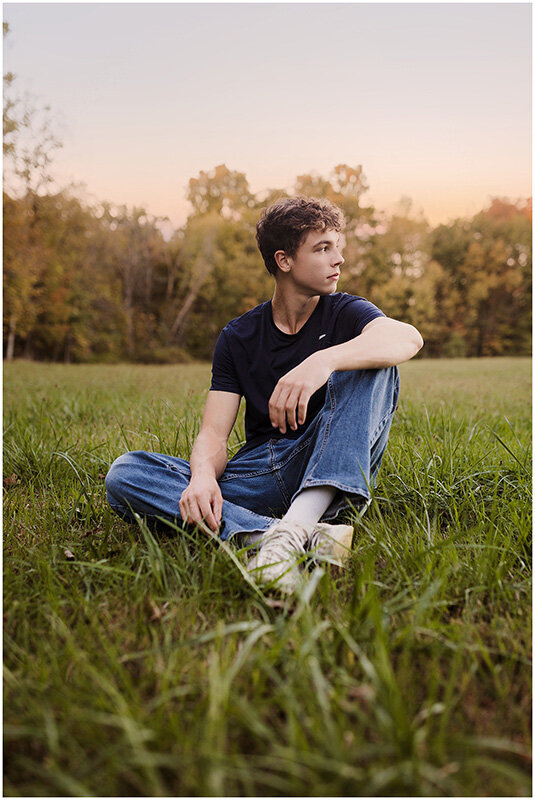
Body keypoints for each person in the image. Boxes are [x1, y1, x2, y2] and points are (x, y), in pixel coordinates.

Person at [106, 196, 423, 593]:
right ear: (284, 260)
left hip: (326, 459)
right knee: (127, 474)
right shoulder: (238, 336)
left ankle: (288, 532)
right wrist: (202, 477)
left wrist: (322, 362)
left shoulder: (345, 312)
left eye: (337, 247)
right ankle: (283, 535)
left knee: (376, 364)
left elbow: (407, 337)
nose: (338, 259)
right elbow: (214, 434)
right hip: (258, 473)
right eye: (323, 248)